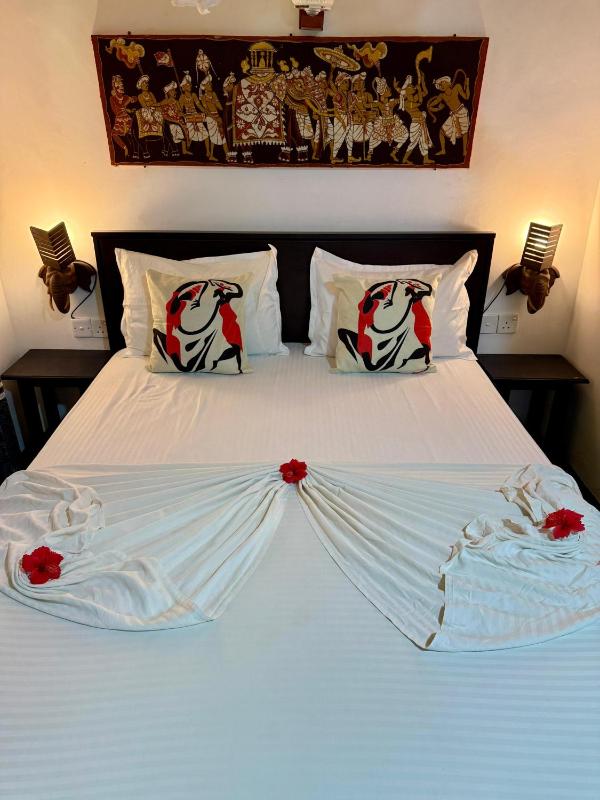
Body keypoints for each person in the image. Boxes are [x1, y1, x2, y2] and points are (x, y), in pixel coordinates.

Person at [367, 76, 408, 162]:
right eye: (388, 88)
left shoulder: (392, 102)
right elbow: (366, 106)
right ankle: (369, 154)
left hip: (393, 124)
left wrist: (397, 88)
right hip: (382, 124)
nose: (390, 90)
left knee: (405, 135)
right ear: (383, 92)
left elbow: (404, 97)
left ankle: (394, 152)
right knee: (373, 139)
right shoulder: (378, 103)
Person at [428, 74, 470, 157]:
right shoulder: (442, 96)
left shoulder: (457, 87)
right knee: (441, 131)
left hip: (462, 112)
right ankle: (443, 150)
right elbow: (430, 106)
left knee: (464, 132)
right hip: (453, 114)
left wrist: (467, 85)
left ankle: (464, 151)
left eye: (443, 83)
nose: (441, 85)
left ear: (448, 83)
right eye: (440, 85)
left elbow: (466, 97)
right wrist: (438, 108)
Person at [396, 75, 433, 165]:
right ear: (407, 92)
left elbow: (426, 92)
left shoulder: (414, 98)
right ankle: (404, 159)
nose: (413, 86)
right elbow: (420, 103)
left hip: (421, 122)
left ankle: (426, 159)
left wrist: (422, 80)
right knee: (413, 143)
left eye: (412, 86)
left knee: (423, 140)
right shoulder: (406, 103)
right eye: (410, 86)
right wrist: (419, 90)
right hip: (416, 123)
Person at [160, 81, 192, 156]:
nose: (175, 92)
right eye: (172, 90)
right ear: (168, 93)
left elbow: (179, 112)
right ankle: (170, 149)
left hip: (178, 120)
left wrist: (184, 115)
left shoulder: (176, 102)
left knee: (185, 127)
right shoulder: (164, 102)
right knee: (177, 128)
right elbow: (164, 114)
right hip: (169, 121)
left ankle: (184, 150)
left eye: (175, 90)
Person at [109, 75, 137, 158]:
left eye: (122, 85)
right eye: (119, 85)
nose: (122, 86)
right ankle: (125, 148)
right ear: (115, 88)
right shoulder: (112, 98)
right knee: (114, 134)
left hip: (127, 118)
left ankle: (134, 149)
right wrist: (127, 103)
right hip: (119, 120)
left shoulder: (126, 97)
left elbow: (134, 99)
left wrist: (133, 101)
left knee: (133, 133)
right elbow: (117, 111)